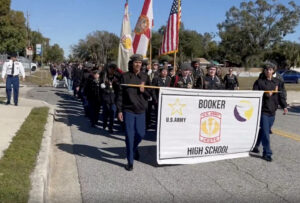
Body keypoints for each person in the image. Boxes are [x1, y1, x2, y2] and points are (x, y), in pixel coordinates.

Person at [117, 54, 151, 171]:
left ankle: (133, 149)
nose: (138, 64)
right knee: (129, 136)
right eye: (136, 62)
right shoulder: (125, 77)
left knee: (141, 134)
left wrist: (143, 90)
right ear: (132, 63)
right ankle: (130, 161)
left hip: (141, 110)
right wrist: (119, 110)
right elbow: (120, 95)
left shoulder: (145, 77)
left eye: (140, 62)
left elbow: (149, 94)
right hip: (128, 110)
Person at [252, 63, 288, 161]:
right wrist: (267, 94)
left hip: (273, 111)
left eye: (270, 69)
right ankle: (267, 153)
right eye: (266, 69)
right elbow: (255, 95)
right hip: (263, 111)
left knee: (264, 130)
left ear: (273, 71)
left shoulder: (277, 82)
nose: (268, 71)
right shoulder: (259, 82)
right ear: (264, 71)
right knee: (266, 132)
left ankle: (255, 145)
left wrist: (284, 106)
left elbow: (281, 95)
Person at [100, 62, 121, 133]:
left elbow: (120, 86)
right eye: (110, 68)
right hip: (106, 97)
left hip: (114, 98)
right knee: (105, 113)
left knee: (113, 112)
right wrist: (104, 85)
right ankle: (104, 123)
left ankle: (110, 127)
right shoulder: (104, 76)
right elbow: (100, 85)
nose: (112, 70)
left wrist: (116, 83)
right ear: (108, 69)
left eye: (113, 69)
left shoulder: (117, 76)